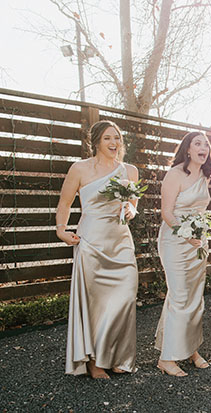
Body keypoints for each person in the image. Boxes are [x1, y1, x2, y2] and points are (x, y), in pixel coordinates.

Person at [58, 120, 139, 378]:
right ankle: (95, 361)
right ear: (95, 142)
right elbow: (65, 201)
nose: (114, 143)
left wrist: (131, 209)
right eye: (107, 138)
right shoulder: (79, 169)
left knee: (125, 297)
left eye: (117, 138)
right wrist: (61, 229)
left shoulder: (129, 170)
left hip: (120, 241)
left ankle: (117, 354)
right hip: (92, 241)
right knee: (96, 303)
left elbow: (133, 205)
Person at [155, 131, 211, 376]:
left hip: (198, 244)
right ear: (187, 149)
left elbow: (199, 210)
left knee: (194, 297)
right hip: (175, 241)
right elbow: (166, 213)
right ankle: (167, 358)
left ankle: (190, 349)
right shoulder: (175, 174)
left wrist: (197, 236)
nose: (203, 148)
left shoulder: (206, 175)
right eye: (197, 143)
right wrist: (185, 233)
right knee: (179, 296)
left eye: (206, 144)